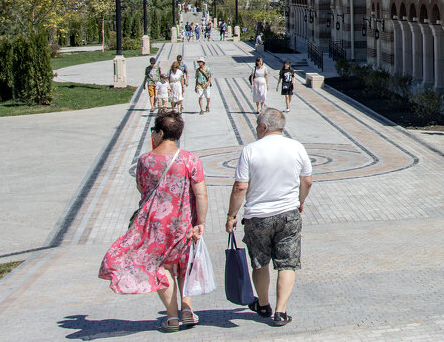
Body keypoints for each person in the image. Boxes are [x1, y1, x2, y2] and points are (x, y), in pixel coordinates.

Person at [100, 110, 208, 332]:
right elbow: (201, 194)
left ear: (159, 133)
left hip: (154, 225)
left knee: (163, 267)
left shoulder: (145, 160)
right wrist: (201, 222)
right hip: (184, 222)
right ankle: (187, 310)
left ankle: (171, 317)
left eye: (154, 132)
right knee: (184, 265)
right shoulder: (190, 159)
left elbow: (141, 187)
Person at [225, 108, 313, 328]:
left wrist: (231, 215)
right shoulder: (297, 147)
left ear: (264, 127)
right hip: (288, 214)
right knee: (287, 263)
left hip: (258, 217)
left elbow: (240, 187)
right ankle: (281, 311)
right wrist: (300, 201)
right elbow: (307, 180)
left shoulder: (250, 150)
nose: (256, 128)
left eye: (257, 124)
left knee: (260, 262)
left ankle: (263, 305)